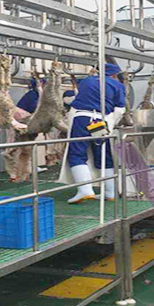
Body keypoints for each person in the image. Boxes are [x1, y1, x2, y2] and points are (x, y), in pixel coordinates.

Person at [59, 63, 126, 203]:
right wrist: (110, 124)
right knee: (103, 154)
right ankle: (110, 192)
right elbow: (120, 109)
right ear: (114, 75)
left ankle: (85, 190)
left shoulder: (87, 81)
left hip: (82, 118)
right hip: (100, 121)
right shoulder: (118, 85)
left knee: (77, 153)